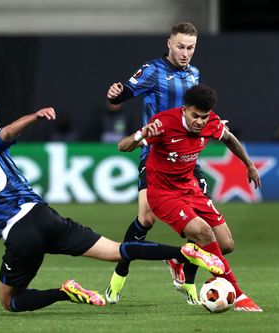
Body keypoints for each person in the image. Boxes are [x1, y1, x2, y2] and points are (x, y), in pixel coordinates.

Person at [0, 106, 225, 312]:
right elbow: (8, 131)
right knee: (116, 250)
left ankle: (64, 292)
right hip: (44, 215)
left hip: (19, 233)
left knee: (10, 301)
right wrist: (34, 117)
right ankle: (186, 252)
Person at [117, 84, 263, 312]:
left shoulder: (211, 122)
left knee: (225, 244)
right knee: (204, 232)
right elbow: (122, 146)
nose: (199, 122)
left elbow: (229, 138)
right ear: (184, 109)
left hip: (190, 189)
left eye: (203, 117)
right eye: (195, 116)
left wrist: (249, 165)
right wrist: (142, 134)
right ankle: (240, 295)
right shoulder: (163, 123)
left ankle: (181, 261)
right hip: (163, 194)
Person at [105, 22, 211, 305]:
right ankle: (119, 276)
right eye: (180, 46)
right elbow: (127, 90)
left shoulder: (194, 74)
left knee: (198, 224)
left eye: (190, 47)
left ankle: (188, 282)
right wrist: (117, 92)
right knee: (146, 219)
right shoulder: (153, 70)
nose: (185, 53)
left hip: (186, 158)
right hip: (153, 154)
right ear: (169, 43)